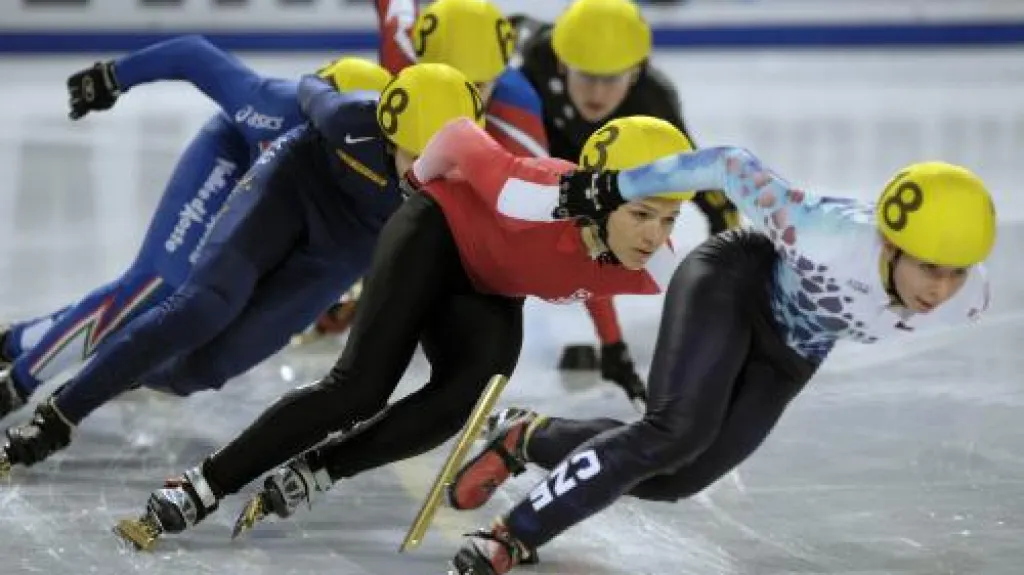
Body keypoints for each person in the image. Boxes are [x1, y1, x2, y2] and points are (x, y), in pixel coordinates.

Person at [116, 113, 695, 548]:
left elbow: (731, 288)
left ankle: (320, 470)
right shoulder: (542, 194)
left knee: (462, 401)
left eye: (668, 218)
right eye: (640, 214)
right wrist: (417, 180)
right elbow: (462, 136)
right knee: (360, 388)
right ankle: (203, 484)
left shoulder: (655, 264)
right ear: (597, 201)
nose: (652, 235)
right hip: (434, 233)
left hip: (487, 287)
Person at [445, 148, 996, 574]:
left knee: (674, 480)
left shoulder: (971, 298)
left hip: (791, 353)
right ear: (892, 245)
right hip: (734, 284)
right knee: (673, 433)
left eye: (957, 272)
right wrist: (615, 187)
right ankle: (512, 535)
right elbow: (728, 163)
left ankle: (529, 438)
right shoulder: (823, 234)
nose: (942, 289)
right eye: (929, 268)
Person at [0, 63, 481, 476]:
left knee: (203, 369)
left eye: (443, 164)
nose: (427, 177)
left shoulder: (466, 181)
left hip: (340, 251)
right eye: (417, 159)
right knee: (202, 308)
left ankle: (118, 362)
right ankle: (58, 416)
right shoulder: (349, 119)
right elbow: (313, 85)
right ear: (388, 134)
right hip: (292, 187)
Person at [0, 36, 391, 418]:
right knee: (156, 285)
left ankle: (20, 341)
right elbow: (194, 54)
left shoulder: (375, 165)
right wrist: (114, 76)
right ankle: (17, 384)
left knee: (184, 324)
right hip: (232, 159)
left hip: (276, 195)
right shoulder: (274, 104)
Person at [506, 0, 742, 395]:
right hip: (553, 136)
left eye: (611, 78)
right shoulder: (539, 54)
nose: (597, 92)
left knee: (606, 222)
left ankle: (609, 339)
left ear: (635, 73)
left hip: (609, 151)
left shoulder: (654, 105)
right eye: (586, 76)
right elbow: (509, 29)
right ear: (562, 63)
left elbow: (710, 194)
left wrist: (724, 294)